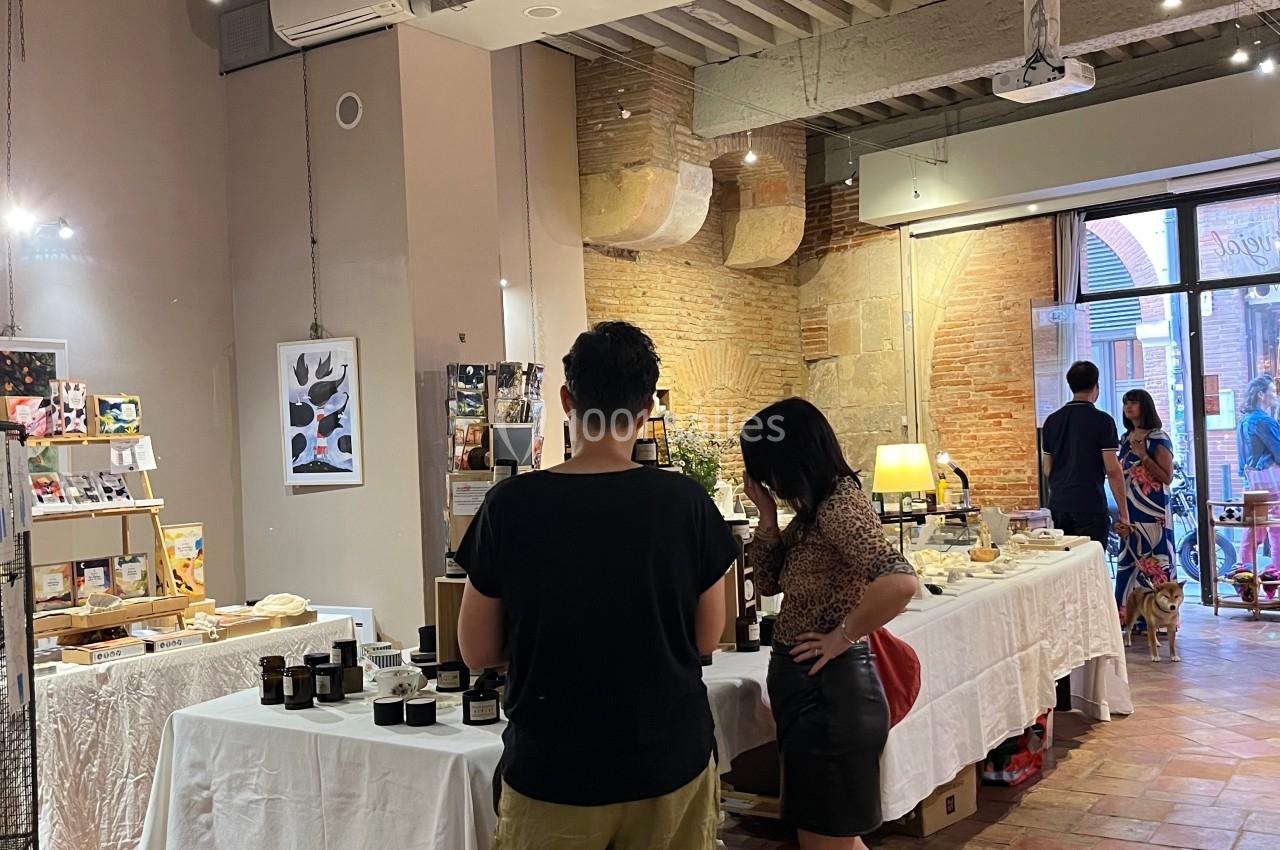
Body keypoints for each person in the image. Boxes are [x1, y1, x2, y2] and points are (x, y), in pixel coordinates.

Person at [455, 321, 736, 850]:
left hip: (554, 766)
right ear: (648, 407)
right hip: (669, 760)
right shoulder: (687, 503)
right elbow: (704, 640)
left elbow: (476, 650)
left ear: (567, 400)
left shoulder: (510, 506)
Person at [740, 398, 918, 850]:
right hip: (814, 697)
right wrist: (766, 517)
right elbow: (765, 583)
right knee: (830, 839)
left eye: (765, 470)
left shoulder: (839, 506)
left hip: (830, 699)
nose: (766, 482)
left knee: (825, 842)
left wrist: (842, 636)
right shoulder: (813, 510)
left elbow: (899, 581)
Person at [1042, 361, 1130, 543]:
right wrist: (1124, 513)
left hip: (1058, 506)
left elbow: (1047, 468)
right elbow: (1113, 470)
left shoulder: (1052, 421)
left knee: (1063, 564)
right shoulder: (1103, 421)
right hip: (1090, 504)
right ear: (1096, 385)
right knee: (1090, 565)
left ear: (1070, 385)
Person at [1115, 389, 1176, 616]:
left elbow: (1166, 476)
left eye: (1133, 403)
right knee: (1130, 559)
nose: (1128, 407)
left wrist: (1143, 455)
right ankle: (1129, 616)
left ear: (1145, 406)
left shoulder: (1158, 437)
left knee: (1154, 560)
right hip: (1129, 507)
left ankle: (1158, 616)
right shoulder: (1124, 438)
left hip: (1153, 510)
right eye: (1125, 403)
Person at [1238, 375, 1280, 569]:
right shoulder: (1266, 421)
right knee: (1277, 533)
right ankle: (1277, 581)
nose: (1275, 393)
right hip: (1273, 484)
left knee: (1251, 534)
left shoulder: (1244, 421)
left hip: (1252, 484)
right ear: (1261, 394)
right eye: (1272, 390)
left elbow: (1242, 460)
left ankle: (1245, 581)